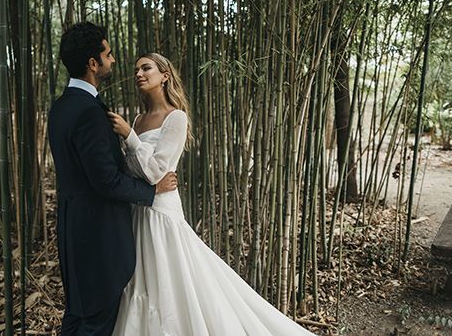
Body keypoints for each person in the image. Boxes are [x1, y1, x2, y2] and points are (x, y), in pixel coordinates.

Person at [107, 53, 316, 336]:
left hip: (162, 212)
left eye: (146, 68)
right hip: (139, 209)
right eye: (136, 70)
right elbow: (135, 168)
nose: (139, 74)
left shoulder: (175, 118)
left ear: (165, 75)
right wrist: (134, 143)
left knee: (167, 284)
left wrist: (130, 137)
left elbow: (156, 170)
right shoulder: (140, 118)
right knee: (141, 283)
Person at [48, 23, 179, 336]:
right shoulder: (89, 111)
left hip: (72, 226)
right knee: (95, 321)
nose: (114, 60)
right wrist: (151, 190)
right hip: (98, 234)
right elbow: (105, 180)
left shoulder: (61, 107)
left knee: (78, 315)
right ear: (93, 63)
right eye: (108, 54)